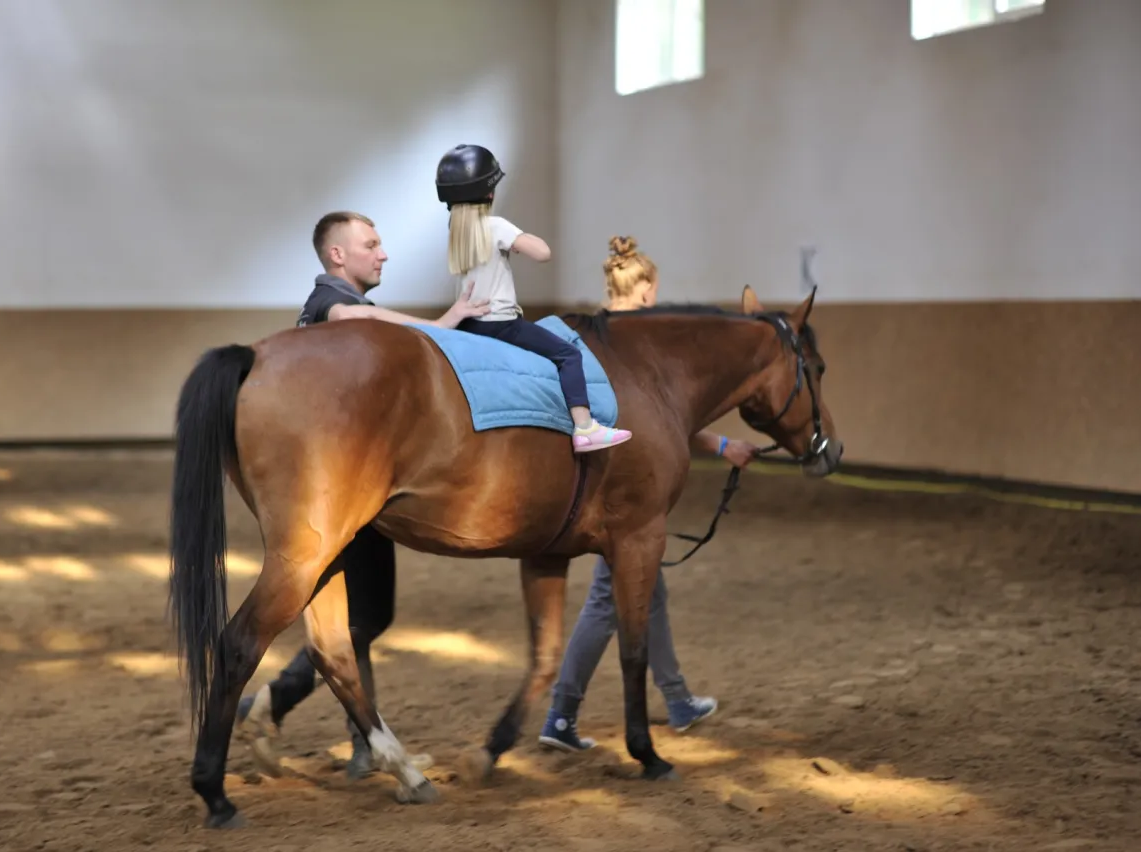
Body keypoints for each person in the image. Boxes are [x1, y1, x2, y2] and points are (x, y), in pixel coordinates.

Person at [236, 210, 489, 777]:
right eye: (371, 244)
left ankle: (351, 738)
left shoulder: (342, 309)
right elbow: (352, 315)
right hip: (344, 487)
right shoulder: (331, 304)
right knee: (360, 620)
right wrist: (444, 322)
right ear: (337, 257)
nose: (383, 254)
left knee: (364, 618)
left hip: (362, 483)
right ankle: (286, 708)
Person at [537, 236, 759, 753]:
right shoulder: (633, 346)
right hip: (619, 491)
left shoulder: (590, 338)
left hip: (608, 483)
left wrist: (720, 443)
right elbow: (656, 423)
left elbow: (656, 422)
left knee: (648, 592)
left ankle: (676, 698)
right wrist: (723, 442)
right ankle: (561, 714)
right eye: (655, 295)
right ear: (645, 292)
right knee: (604, 602)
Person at [434, 143, 633, 454]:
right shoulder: (495, 225)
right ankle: (585, 427)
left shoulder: (455, 230)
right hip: (501, 324)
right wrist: (517, 237)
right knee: (568, 355)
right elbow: (543, 253)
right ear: (489, 193)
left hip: (469, 324)